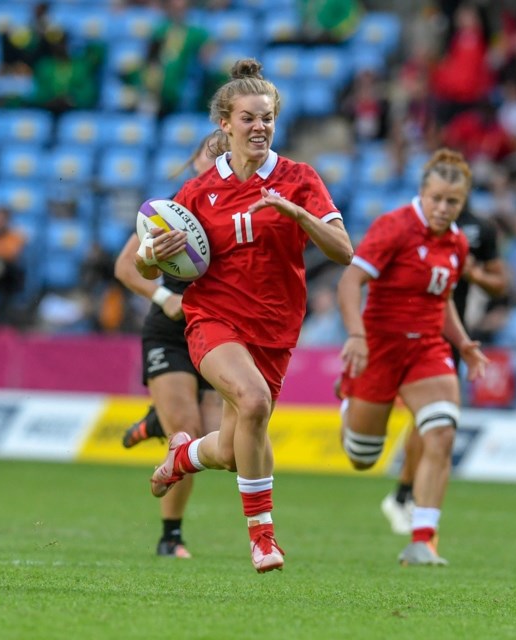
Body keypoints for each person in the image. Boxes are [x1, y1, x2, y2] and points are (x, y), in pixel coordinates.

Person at [135, 58, 353, 573]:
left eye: (267, 118)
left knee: (234, 450)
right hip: (214, 320)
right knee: (252, 401)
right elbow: (146, 262)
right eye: (249, 118)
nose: (259, 127)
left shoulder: (301, 179)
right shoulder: (196, 193)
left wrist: (298, 215)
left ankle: (184, 456)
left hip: (276, 329)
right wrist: (152, 252)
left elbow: (344, 250)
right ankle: (262, 538)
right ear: (225, 124)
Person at [337, 148, 488, 566]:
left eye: (452, 201)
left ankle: (423, 539)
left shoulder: (456, 241)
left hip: (426, 348)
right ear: (422, 192)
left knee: (441, 432)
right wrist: (356, 335)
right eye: (436, 198)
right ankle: (349, 400)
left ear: (462, 202)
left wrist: (463, 343)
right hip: (380, 348)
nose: (442, 208)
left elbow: (444, 301)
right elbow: (351, 282)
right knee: (362, 457)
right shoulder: (393, 227)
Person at [114, 132, 227, 559]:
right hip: (171, 331)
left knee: (219, 442)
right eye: (209, 151)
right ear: (194, 158)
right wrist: (166, 297)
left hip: (219, 332)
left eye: (223, 153)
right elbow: (127, 266)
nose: (215, 158)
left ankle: (153, 422)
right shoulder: (171, 210)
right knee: (189, 433)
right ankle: (171, 537)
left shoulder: (240, 208)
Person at [379, 197, 508, 536]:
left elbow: (501, 283)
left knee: (435, 421)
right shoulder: (407, 226)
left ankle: (407, 499)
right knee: (430, 420)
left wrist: (474, 273)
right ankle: (408, 499)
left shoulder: (478, 231)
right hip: (412, 331)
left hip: (451, 332)